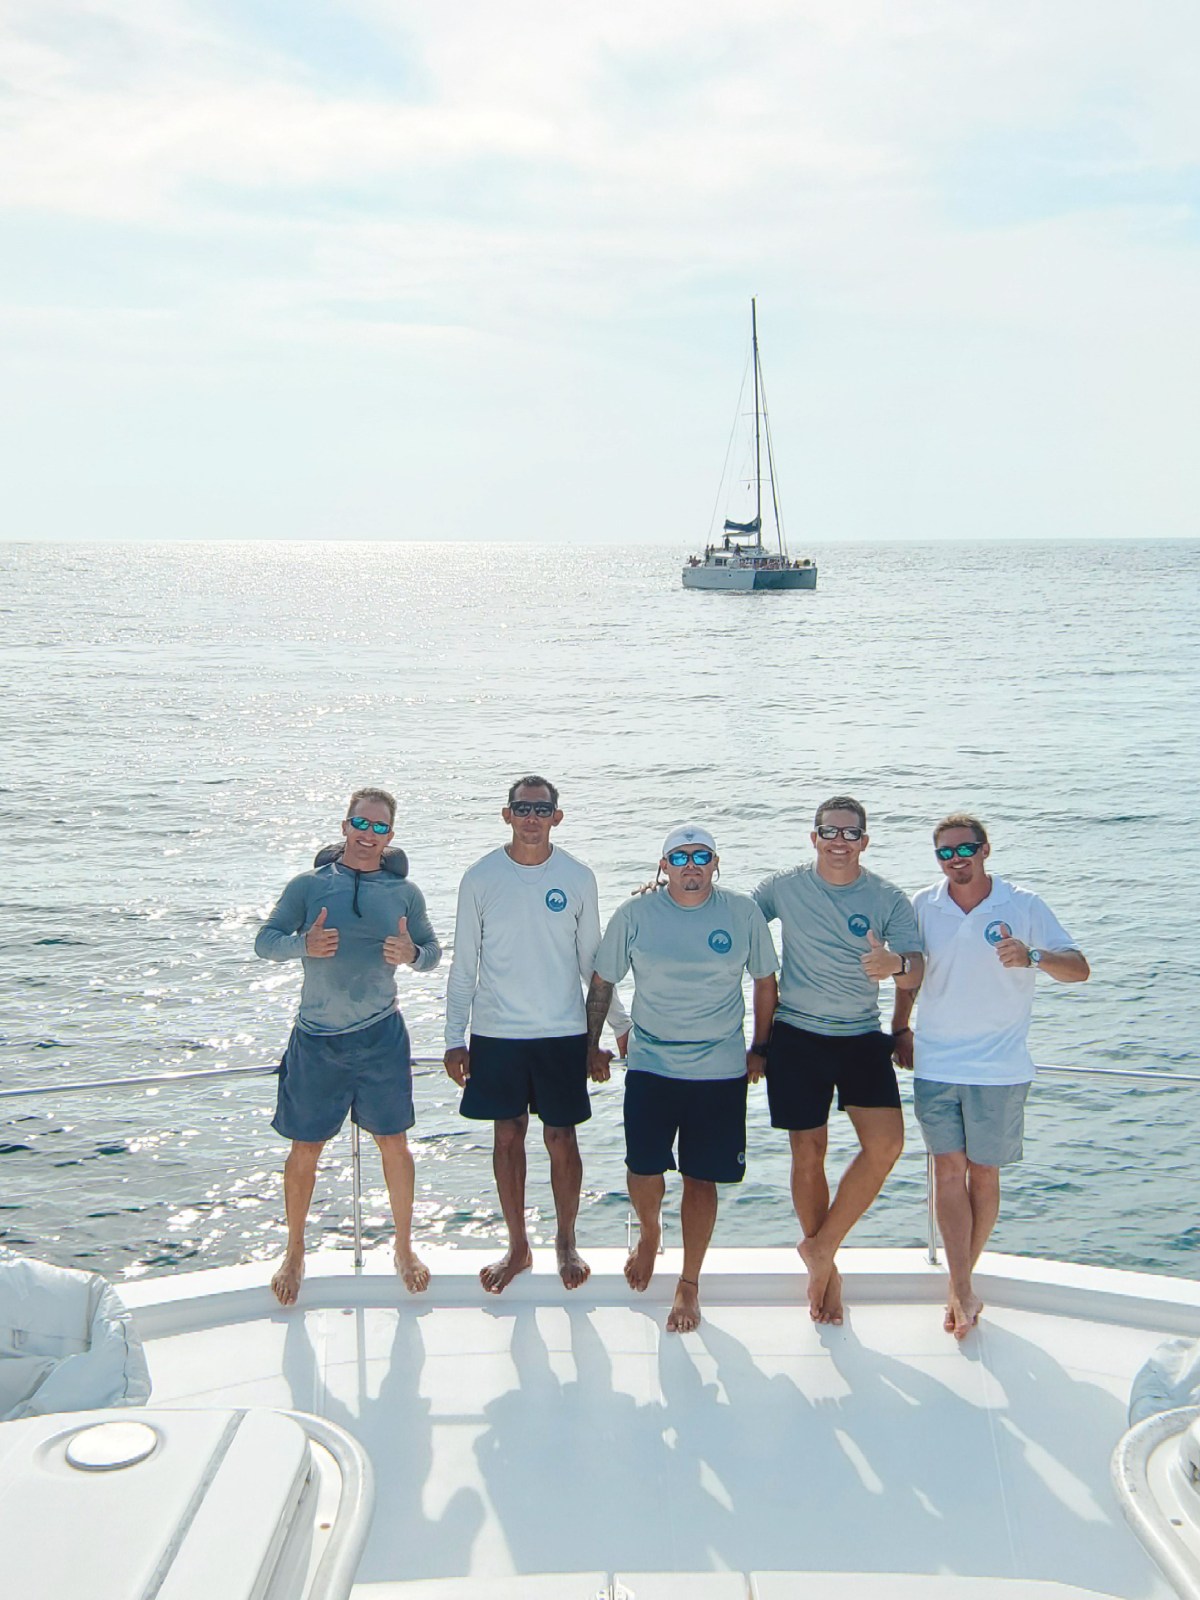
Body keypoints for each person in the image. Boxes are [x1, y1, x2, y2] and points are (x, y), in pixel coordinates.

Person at [892, 814, 1090, 1339]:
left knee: (984, 1175)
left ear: (986, 850)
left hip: (1000, 1067)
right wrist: (899, 1028)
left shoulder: (1021, 905)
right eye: (945, 852)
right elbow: (910, 975)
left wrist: (1035, 956)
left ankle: (961, 1285)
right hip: (936, 1063)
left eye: (966, 848)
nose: (956, 859)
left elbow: (1079, 967)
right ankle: (961, 1288)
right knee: (947, 1172)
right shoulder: (922, 905)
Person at [587, 825, 778, 1333]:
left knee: (701, 1177)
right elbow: (603, 979)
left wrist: (760, 1047)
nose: (691, 865)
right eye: (680, 857)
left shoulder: (742, 912)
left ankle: (689, 1283)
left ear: (716, 864)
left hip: (719, 1070)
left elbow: (765, 981)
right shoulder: (635, 913)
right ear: (663, 866)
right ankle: (650, 1231)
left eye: (701, 857)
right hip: (651, 1064)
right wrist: (592, 1043)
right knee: (644, 1168)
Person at [443, 775, 630, 1294]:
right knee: (507, 1136)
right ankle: (517, 1245)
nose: (531, 817)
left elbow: (594, 962)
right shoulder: (479, 878)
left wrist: (616, 1030)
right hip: (497, 1032)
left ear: (556, 817)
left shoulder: (577, 877)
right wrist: (453, 1037)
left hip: (562, 1031)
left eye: (541, 810)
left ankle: (566, 1242)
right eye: (522, 808)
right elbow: (465, 965)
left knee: (561, 1137)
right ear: (506, 814)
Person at [255, 787, 441, 1306]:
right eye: (361, 824)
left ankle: (404, 1247)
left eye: (380, 828)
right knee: (305, 1149)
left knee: (394, 1145)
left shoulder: (405, 894)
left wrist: (411, 953)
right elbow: (264, 941)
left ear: (391, 836)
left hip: (381, 1035)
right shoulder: (308, 887)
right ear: (344, 826)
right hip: (317, 1040)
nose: (368, 835)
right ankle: (294, 1252)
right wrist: (303, 945)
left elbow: (432, 953)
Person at [753, 796, 923, 1326]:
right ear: (814, 838)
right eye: (830, 832)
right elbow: (729, 918)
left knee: (887, 1145)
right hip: (797, 1036)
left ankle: (821, 1247)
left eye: (851, 834)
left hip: (860, 1036)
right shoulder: (783, 887)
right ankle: (825, 1270)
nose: (840, 842)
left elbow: (917, 969)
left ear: (865, 841)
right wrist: (664, 890)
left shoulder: (888, 898)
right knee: (809, 1153)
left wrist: (895, 966)